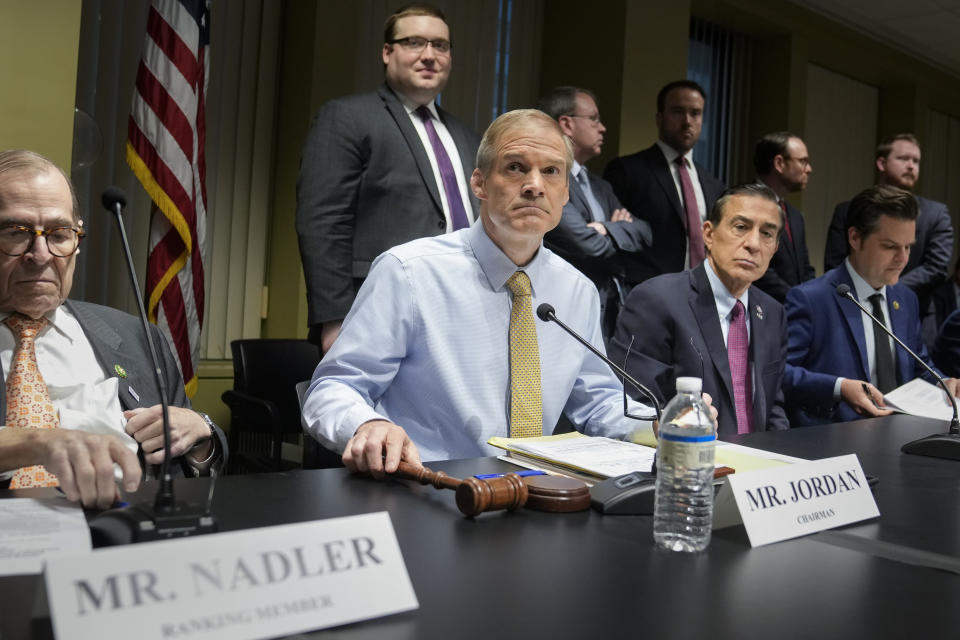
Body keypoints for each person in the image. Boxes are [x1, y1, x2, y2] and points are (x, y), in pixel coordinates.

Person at [302, 109, 685, 477]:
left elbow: (597, 401)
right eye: (516, 167)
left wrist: (656, 425)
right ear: (479, 183)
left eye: (551, 172)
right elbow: (332, 389)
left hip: (534, 493)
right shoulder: (409, 273)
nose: (535, 185)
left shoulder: (577, 290)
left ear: (566, 192)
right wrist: (367, 423)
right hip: (429, 488)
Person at [0, 150, 225, 510]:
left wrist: (201, 436)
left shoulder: (137, 336)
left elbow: (194, 469)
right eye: (16, 232)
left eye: (59, 234)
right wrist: (36, 443)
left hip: (130, 539)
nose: (40, 254)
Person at [296, 3, 481, 352]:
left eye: (440, 45)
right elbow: (322, 223)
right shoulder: (347, 118)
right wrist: (335, 320)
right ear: (387, 52)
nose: (429, 55)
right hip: (375, 312)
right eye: (414, 42)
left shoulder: (467, 136)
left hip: (462, 312)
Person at [609, 184, 788, 436]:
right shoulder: (657, 300)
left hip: (756, 469)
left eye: (767, 234)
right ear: (709, 233)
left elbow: (773, 407)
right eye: (741, 227)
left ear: (776, 247)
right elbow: (634, 406)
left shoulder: (772, 312)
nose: (754, 244)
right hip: (685, 461)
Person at [784, 185, 960, 426]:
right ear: (855, 238)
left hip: (902, 436)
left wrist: (942, 382)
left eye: (908, 246)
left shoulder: (906, 299)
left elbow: (919, 365)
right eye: (890, 247)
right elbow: (781, 373)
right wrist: (839, 387)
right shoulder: (811, 298)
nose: (903, 259)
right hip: (834, 439)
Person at [537, 86, 651, 338]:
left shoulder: (601, 186)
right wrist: (618, 231)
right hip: (562, 310)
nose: (602, 128)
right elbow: (587, 244)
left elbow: (644, 231)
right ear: (566, 124)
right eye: (594, 118)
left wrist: (605, 228)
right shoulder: (548, 179)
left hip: (608, 312)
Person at [822, 134, 952, 340]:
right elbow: (835, 262)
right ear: (881, 163)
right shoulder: (848, 210)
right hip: (853, 309)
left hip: (917, 314)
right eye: (903, 159)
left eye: (916, 161)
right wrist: (867, 291)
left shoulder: (936, 213)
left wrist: (885, 290)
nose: (911, 166)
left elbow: (936, 268)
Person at [603, 80, 726, 287]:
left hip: (702, 294)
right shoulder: (627, 171)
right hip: (645, 293)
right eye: (678, 112)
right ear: (660, 118)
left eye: (695, 113)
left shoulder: (713, 184)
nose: (687, 121)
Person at [752, 132, 816, 302]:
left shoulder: (795, 216)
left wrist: (813, 299)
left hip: (793, 313)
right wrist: (797, 298)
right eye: (803, 161)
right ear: (779, 163)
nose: (809, 169)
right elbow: (755, 265)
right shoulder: (745, 204)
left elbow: (805, 268)